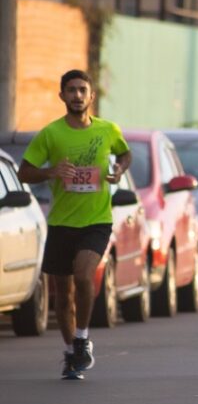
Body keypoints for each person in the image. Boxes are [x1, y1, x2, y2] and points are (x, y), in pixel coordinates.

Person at [18, 69, 132, 380]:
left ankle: (82, 338)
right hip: (61, 223)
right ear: (62, 96)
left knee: (84, 276)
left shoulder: (108, 130)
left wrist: (119, 170)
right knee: (63, 294)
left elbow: (125, 154)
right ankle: (70, 353)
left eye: (83, 90)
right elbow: (24, 172)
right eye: (71, 90)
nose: (77, 95)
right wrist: (52, 172)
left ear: (91, 96)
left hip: (96, 221)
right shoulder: (51, 134)